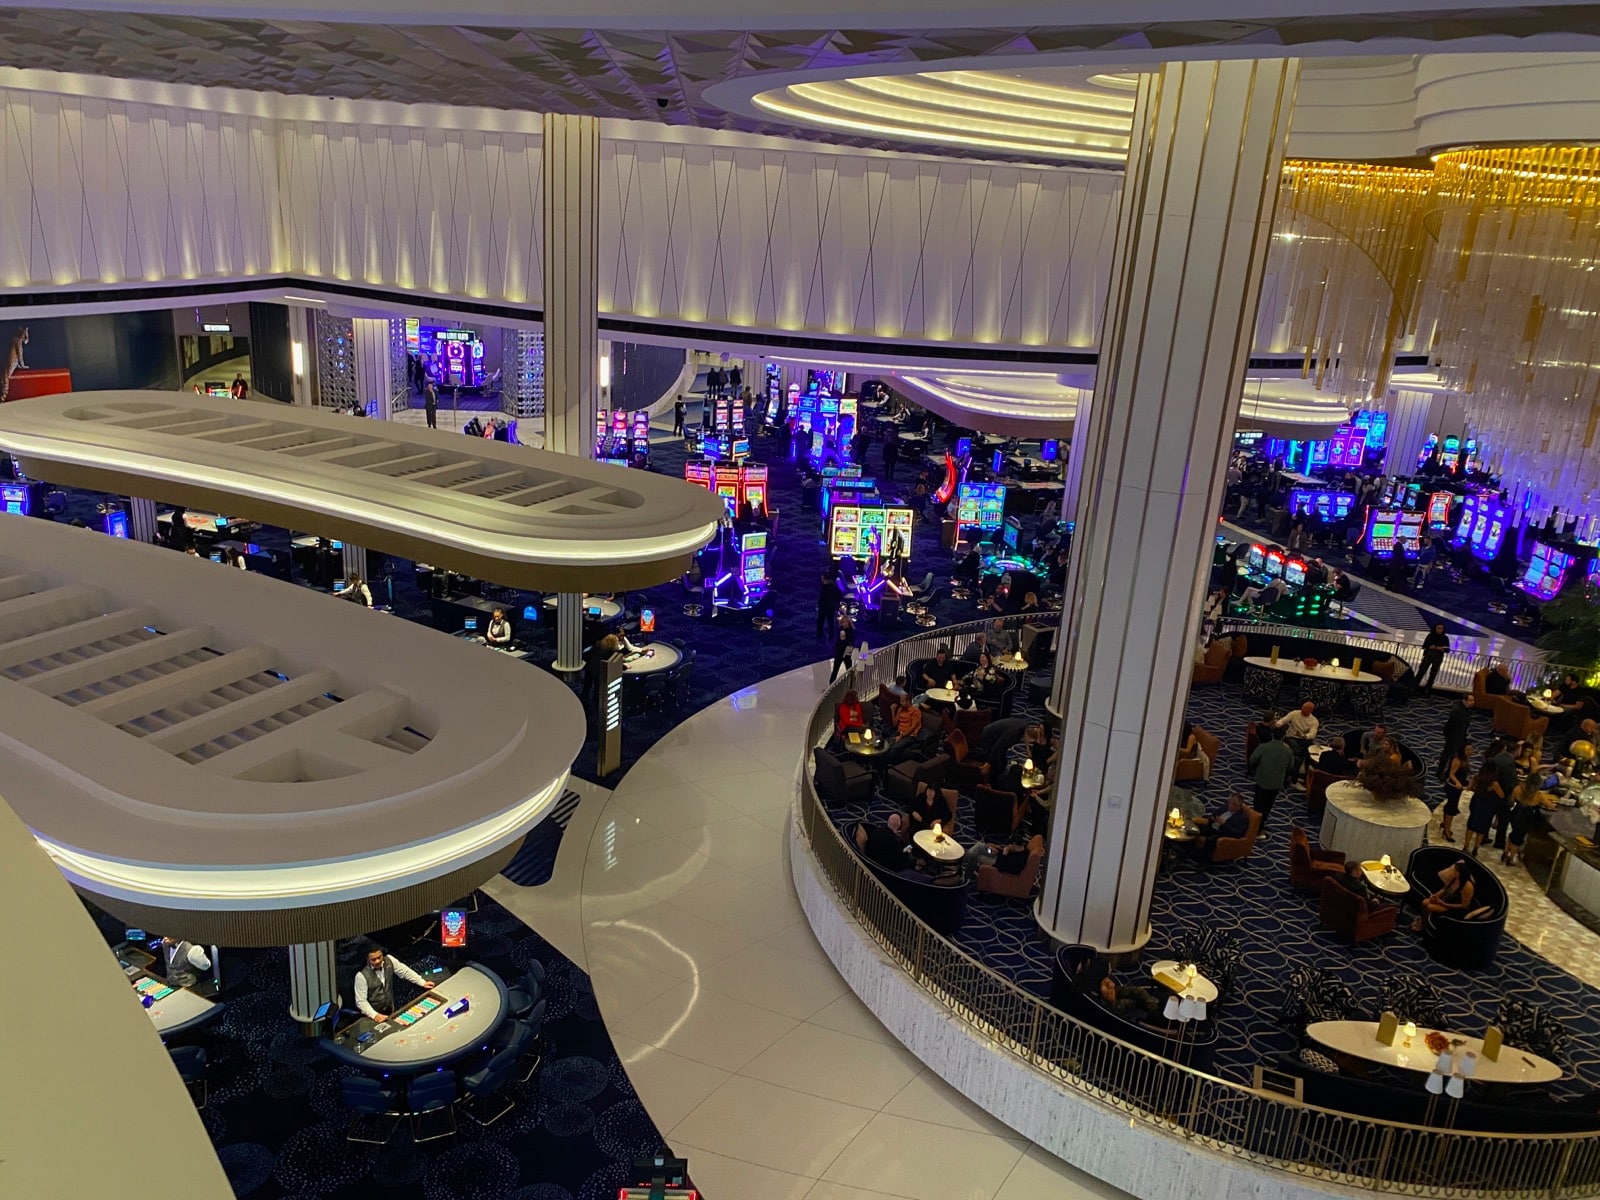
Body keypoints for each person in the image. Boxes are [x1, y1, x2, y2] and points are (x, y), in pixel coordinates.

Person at [354, 945, 435, 1022]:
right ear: (367, 959)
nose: (377, 961)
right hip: (372, 1015)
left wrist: (422, 982)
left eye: (379, 957)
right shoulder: (361, 975)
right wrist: (375, 1015)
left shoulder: (389, 960)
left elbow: (404, 971)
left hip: (391, 1009)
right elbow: (361, 1001)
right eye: (373, 959)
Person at [1411, 856, 1476, 933]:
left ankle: (1424, 926)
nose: (1453, 872)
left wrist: (1444, 904)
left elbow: (1464, 905)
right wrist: (1436, 895)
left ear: (1460, 873)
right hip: (1445, 901)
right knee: (1424, 902)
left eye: (1455, 871)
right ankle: (1423, 921)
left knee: (1429, 907)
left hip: (1454, 908)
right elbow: (1444, 889)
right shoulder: (1454, 878)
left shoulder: (1467, 886)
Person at [1504, 774, 1556, 866]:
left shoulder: (1518, 789)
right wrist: (1554, 806)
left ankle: (1505, 852)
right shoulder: (1538, 795)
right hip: (1526, 817)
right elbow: (1549, 805)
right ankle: (1511, 858)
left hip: (1516, 814)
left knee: (1513, 834)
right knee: (1518, 838)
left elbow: (1512, 800)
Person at [1247, 726, 1294, 825]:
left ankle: (1254, 823)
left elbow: (1252, 760)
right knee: (1268, 805)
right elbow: (1290, 767)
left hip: (1262, 780)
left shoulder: (1263, 747)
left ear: (1272, 735)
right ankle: (1262, 822)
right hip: (1276, 784)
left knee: (1258, 804)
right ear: (1283, 737)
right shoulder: (1288, 751)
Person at [1462, 761, 1504, 857]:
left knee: (1471, 825)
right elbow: (1501, 795)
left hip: (1476, 802)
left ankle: (1466, 846)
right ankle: (1476, 848)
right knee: (1482, 828)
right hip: (1487, 806)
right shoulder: (1493, 783)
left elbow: (1469, 788)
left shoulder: (1477, 777)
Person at [1192, 792, 1251, 858]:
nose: (1230, 805)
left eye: (1233, 804)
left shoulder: (1242, 818)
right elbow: (1215, 813)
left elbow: (1238, 833)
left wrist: (1224, 824)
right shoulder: (1226, 806)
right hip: (1213, 827)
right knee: (1195, 829)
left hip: (1222, 833)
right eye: (1230, 802)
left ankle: (1205, 862)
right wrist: (1213, 817)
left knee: (1210, 840)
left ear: (1239, 806)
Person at [1438, 740, 1473, 844]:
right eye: (1468, 749)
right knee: (1451, 807)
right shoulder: (1457, 759)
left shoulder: (1464, 759)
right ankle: (1447, 831)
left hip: (1459, 786)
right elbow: (1451, 774)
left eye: (1471, 749)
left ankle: (1445, 824)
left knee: (1451, 805)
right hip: (1453, 787)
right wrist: (1457, 783)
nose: (1470, 751)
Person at [1487, 739, 1520, 849]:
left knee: (1489, 815)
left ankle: (1483, 836)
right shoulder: (1509, 763)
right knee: (1503, 820)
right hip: (1503, 794)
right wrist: (1511, 795)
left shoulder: (1499, 757)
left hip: (1492, 792)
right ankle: (1499, 842)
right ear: (1516, 751)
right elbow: (1510, 782)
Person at [1274, 702, 1319, 772]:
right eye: (1303, 707)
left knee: (1312, 750)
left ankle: (1307, 768)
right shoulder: (1295, 713)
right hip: (1291, 736)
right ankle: (1295, 766)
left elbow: (1313, 733)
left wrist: (1304, 736)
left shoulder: (1314, 720)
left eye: (1305, 708)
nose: (1302, 709)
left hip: (1304, 738)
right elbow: (1284, 720)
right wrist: (1277, 724)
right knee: (1296, 749)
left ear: (1310, 711)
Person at [1437, 694, 1474, 777]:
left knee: (1455, 756)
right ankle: (1439, 773)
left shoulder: (1467, 710)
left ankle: (1448, 774)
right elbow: (1449, 725)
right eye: (1471, 700)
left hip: (1460, 737)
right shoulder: (1457, 710)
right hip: (1452, 738)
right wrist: (1448, 737)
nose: (1473, 702)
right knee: (1446, 756)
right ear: (1465, 700)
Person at [1098, 975, 1162, 1021]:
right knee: (1135, 1002)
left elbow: (1111, 983)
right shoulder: (1100, 987)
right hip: (1109, 1005)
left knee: (1139, 991)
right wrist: (1110, 988)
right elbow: (1111, 999)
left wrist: (1111, 986)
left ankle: (1156, 1011)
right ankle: (1156, 1018)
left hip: (1114, 991)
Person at [1416, 623, 1449, 692]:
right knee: (1421, 671)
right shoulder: (1430, 636)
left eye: (1441, 628)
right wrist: (1437, 647)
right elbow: (1425, 645)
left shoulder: (1445, 638)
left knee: (1433, 674)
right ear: (1435, 628)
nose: (1440, 630)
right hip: (1428, 656)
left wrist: (1438, 648)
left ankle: (1427, 690)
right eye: (1438, 628)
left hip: (1438, 658)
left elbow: (1447, 649)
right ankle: (1413, 687)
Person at [816, 561, 841, 640]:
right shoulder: (832, 586)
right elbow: (838, 597)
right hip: (830, 607)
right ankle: (830, 635)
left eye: (822, 578)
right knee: (830, 622)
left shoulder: (827, 588)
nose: (821, 580)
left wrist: (819, 606)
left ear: (826, 579)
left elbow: (823, 598)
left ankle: (820, 635)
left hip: (825, 608)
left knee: (822, 621)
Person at [830, 611, 856, 683]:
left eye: (846, 621)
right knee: (835, 670)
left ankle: (852, 684)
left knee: (849, 669)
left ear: (848, 622)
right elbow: (838, 641)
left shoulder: (851, 631)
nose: (844, 623)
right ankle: (831, 685)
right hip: (839, 652)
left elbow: (851, 641)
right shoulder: (839, 629)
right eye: (843, 621)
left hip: (847, 653)